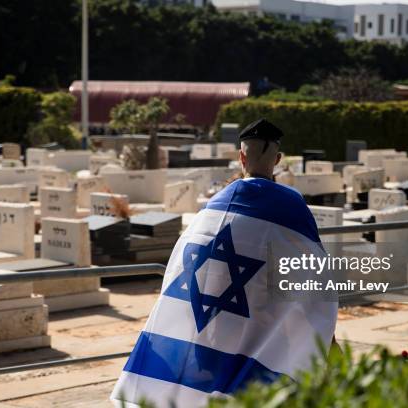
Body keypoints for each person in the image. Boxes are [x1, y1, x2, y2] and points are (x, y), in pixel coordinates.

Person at [111, 118, 338, 408]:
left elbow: (185, 266)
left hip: (218, 327)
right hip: (267, 328)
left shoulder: (215, 206)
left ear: (241, 157)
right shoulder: (293, 208)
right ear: (278, 160)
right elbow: (315, 276)